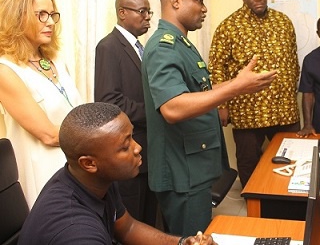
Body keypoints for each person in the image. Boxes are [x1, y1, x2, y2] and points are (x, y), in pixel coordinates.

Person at [143, 0, 277, 236]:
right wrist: (234, 88)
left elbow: (195, 90)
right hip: (183, 174)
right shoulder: (163, 47)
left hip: (193, 167)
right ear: (176, 1)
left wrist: (236, 85)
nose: (204, 8)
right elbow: (172, 107)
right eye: (198, 0)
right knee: (193, 239)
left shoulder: (182, 44)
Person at [18, 102, 216, 245]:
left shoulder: (94, 181)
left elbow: (128, 228)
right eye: (125, 146)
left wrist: (183, 243)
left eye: (132, 137)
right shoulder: (76, 232)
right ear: (89, 163)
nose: (138, 147)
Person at [208, 0, 300, 187]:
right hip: (248, 110)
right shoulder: (229, 26)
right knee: (249, 160)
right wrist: (221, 105)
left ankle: (289, 197)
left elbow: (294, 59)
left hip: (284, 108)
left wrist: (290, 87)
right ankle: (254, 199)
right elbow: (216, 67)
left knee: (293, 156)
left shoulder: (283, 21)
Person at [0, 0, 82, 208]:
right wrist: (100, 135)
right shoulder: (5, 70)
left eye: (52, 14)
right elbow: (47, 134)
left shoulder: (55, 60)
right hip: (44, 176)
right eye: (41, 15)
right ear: (16, 17)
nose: (51, 22)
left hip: (77, 168)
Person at [94, 0, 157, 226]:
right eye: (142, 11)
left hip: (148, 151)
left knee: (150, 220)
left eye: (149, 11)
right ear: (122, 13)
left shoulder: (141, 47)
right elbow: (109, 101)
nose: (148, 17)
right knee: (132, 221)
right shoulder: (109, 47)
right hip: (129, 149)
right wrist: (155, 113)